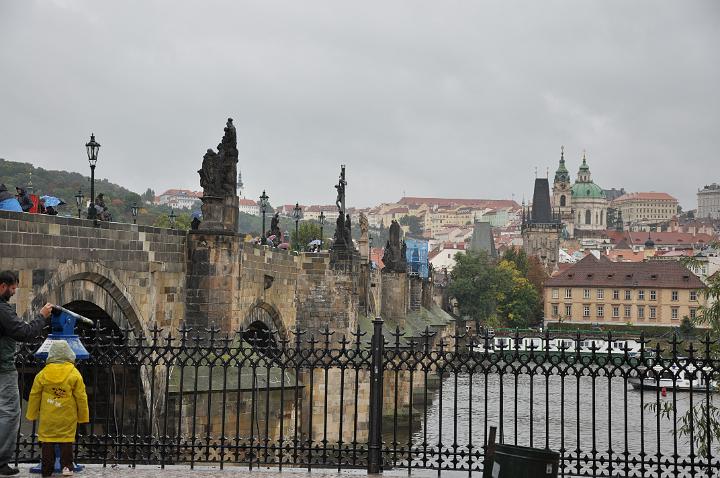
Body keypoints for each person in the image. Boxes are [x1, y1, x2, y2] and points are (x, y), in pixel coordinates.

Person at [0, 271, 53, 476]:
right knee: (10, 413)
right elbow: (24, 333)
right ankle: (2, 460)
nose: (14, 292)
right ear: (3, 286)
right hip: (3, 369)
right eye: (13, 288)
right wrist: (42, 317)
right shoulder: (3, 310)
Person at [26, 341, 89, 477]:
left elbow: (34, 395)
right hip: (67, 416)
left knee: (47, 442)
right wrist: (83, 416)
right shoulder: (74, 374)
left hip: (48, 417)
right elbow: (81, 397)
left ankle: (47, 469)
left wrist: (31, 414)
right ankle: (67, 467)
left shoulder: (42, 374)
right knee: (66, 441)